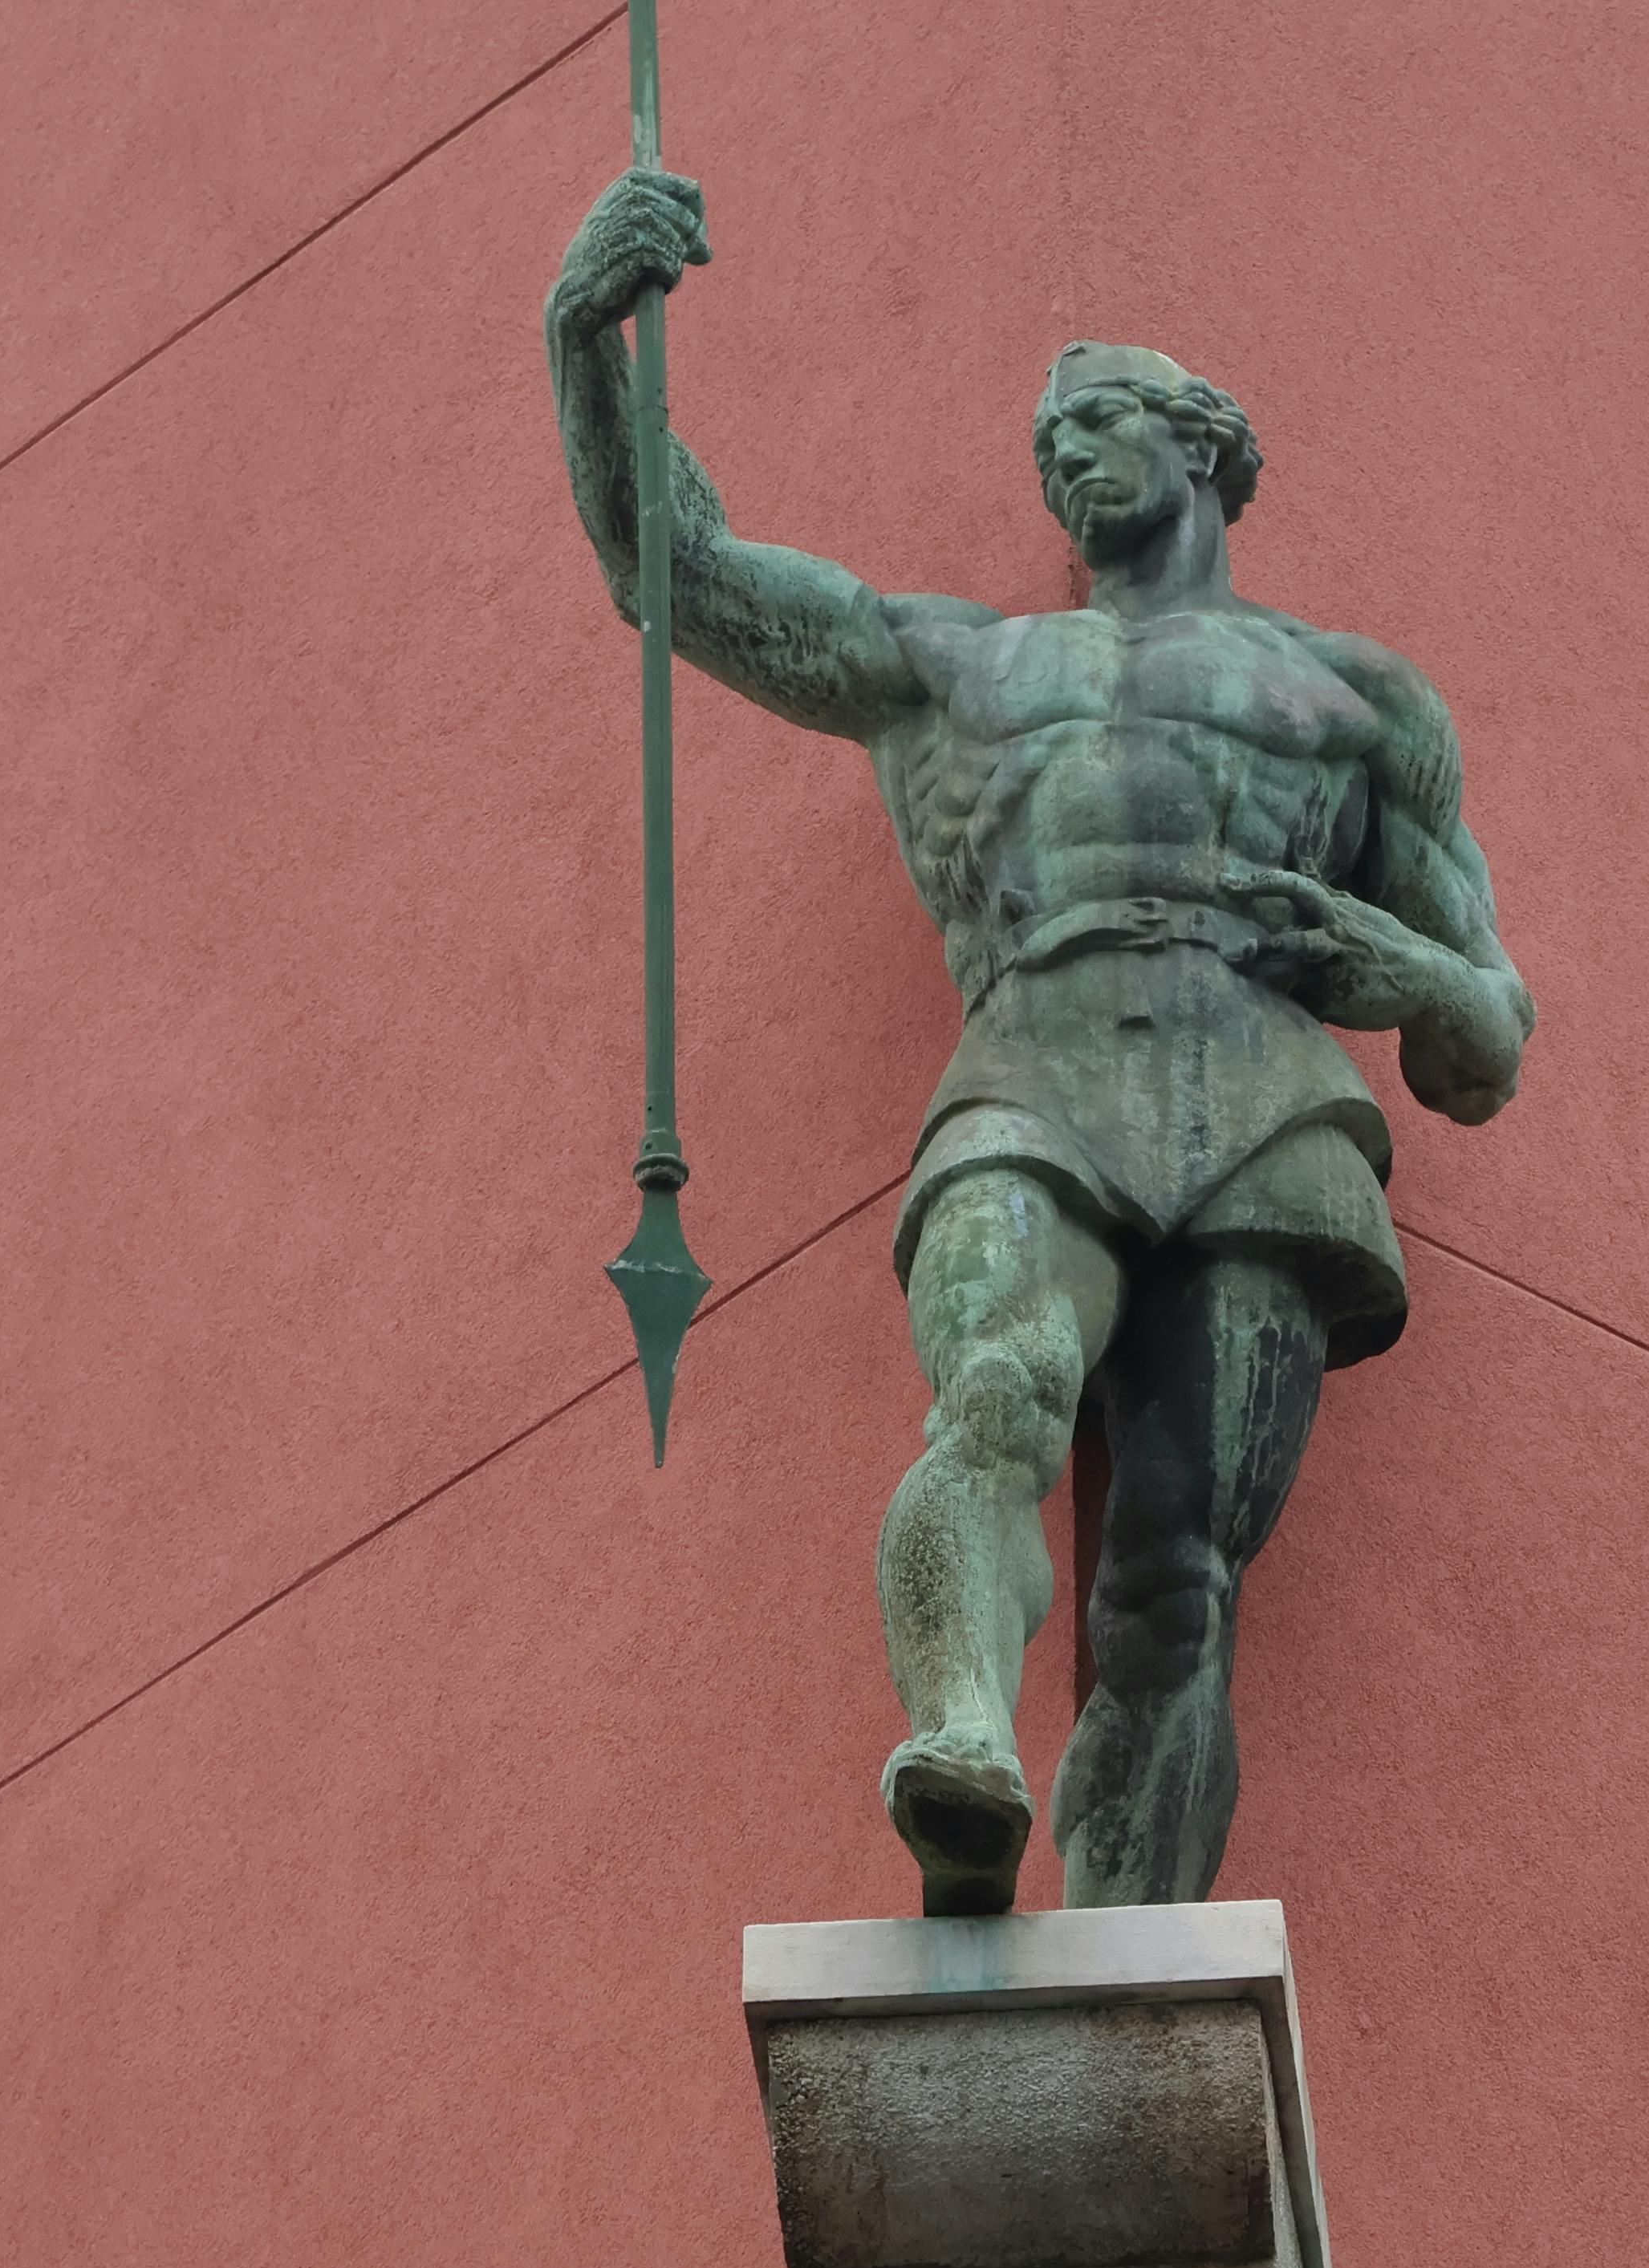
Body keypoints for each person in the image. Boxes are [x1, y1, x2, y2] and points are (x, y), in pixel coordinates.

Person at [550, 168, 1537, 1913]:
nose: (1067, 462)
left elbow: (1488, 1038)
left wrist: (1396, 961)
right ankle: (961, 1737)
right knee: (996, 1392)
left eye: (1099, 424)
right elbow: (680, 577)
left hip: (1269, 1099)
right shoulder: (964, 666)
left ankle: (1127, 1935)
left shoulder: (1358, 703)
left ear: (1200, 442)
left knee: (1175, 1577)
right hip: (1035, 1060)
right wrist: (586, 343)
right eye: (1046, 444)